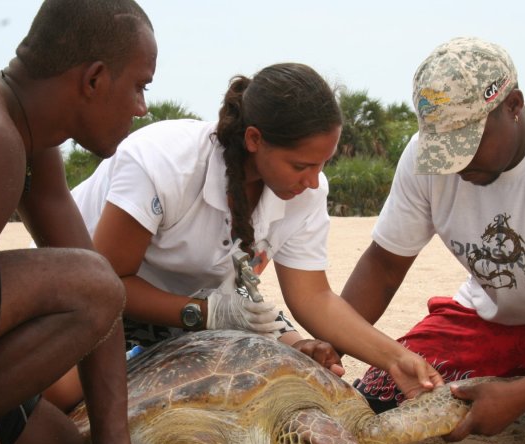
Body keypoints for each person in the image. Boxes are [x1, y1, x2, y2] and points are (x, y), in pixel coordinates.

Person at [46, 62, 444, 412]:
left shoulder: (305, 191)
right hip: (93, 292)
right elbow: (109, 282)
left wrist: (395, 359)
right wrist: (208, 316)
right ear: (254, 139)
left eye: (323, 164)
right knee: (62, 391)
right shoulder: (164, 162)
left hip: (201, 302)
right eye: (301, 165)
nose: (312, 181)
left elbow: (314, 297)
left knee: (296, 370)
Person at [343, 36, 525, 444]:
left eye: (467, 143)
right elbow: (384, 265)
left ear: (513, 105)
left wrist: (523, 395)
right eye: (442, 149)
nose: (455, 164)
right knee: (376, 398)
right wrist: (333, 347)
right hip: (485, 321)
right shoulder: (423, 159)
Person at [0, 0, 158, 444]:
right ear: (94, 79)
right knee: (91, 284)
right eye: (139, 86)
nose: (142, 107)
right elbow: (94, 285)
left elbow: (102, 297)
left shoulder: (25, 128)